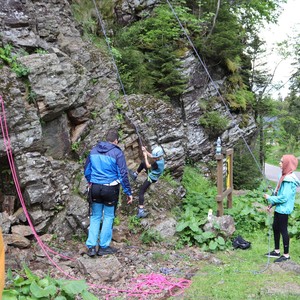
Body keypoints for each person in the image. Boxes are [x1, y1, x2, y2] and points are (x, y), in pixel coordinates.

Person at [84, 128, 133, 257]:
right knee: (109, 216)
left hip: (94, 187)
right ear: (116, 141)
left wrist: (91, 181)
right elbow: (122, 174)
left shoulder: (93, 151)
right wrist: (128, 192)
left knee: (95, 216)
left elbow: (87, 171)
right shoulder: (117, 153)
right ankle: (103, 247)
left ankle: (91, 247)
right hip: (110, 188)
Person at [264, 154, 300, 262]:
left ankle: (286, 255)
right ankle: (276, 251)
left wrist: (270, 198)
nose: (279, 163)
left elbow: (284, 197)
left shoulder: (289, 180)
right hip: (279, 208)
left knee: (283, 230)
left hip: (284, 209)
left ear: (287, 164)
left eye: (281, 162)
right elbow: (278, 193)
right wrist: (271, 204)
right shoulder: (283, 176)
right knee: (276, 228)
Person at [131, 145, 165, 218]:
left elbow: (148, 165)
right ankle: (135, 174)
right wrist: (145, 151)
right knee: (143, 163)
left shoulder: (157, 163)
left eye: (155, 157)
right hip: (153, 173)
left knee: (141, 191)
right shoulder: (160, 158)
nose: (154, 158)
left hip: (152, 178)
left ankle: (141, 211)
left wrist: (145, 156)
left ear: (158, 157)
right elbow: (152, 156)